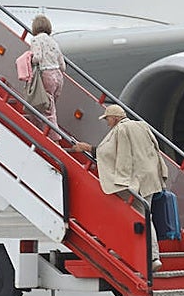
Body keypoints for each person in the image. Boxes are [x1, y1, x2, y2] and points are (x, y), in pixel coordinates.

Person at [70, 104, 167, 271]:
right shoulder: (141, 125)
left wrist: (86, 148)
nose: (107, 123)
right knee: (144, 214)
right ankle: (145, 254)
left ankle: (151, 256)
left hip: (136, 179)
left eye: (107, 119)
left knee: (139, 215)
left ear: (115, 117)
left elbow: (108, 153)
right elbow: (155, 148)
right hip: (150, 177)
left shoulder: (120, 130)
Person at [28, 14, 66, 125]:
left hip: (47, 75)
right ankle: (47, 132)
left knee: (47, 111)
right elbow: (63, 66)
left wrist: (29, 59)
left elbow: (37, 57)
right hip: (58, 77)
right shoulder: (53, 42)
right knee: (51, 107)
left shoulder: (36, 40)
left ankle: (54, 138)